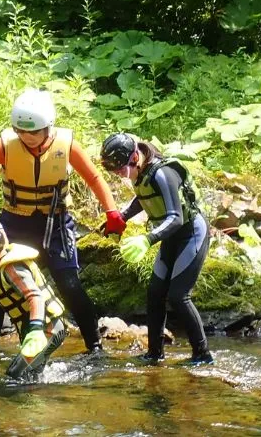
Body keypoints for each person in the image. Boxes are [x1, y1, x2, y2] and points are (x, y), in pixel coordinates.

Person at [0, 89, 126, 354]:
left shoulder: (66, 144)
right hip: (15, 222)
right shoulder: (6, 144)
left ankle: (95, 348)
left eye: (34, 133)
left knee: (70, 285)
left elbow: (95, 178)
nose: (28, 138)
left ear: (48, 127)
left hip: (56, 223)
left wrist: (112, 212)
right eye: (22, 132)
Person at [99, 132, 214, 366]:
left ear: (134, 157)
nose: (119, 174)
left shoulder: (162, 173)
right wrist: (121, 217)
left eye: (121, 169)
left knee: (178, 296)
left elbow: (176, 217)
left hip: (191, 233)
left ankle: (203, 355)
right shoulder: (140, 173)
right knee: (154, 294)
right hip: (170, 237)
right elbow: (143, 198)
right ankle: (154, 354)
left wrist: (147, 239)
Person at [0, 220, 69, 380]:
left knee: (16, 375)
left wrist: (36, 330)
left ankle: (36, 403)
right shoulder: (1, 268)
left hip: (47, 330)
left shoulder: (11, 268)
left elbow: (35, 296)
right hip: (44, 331)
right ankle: (41, 398)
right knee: (31, 376)